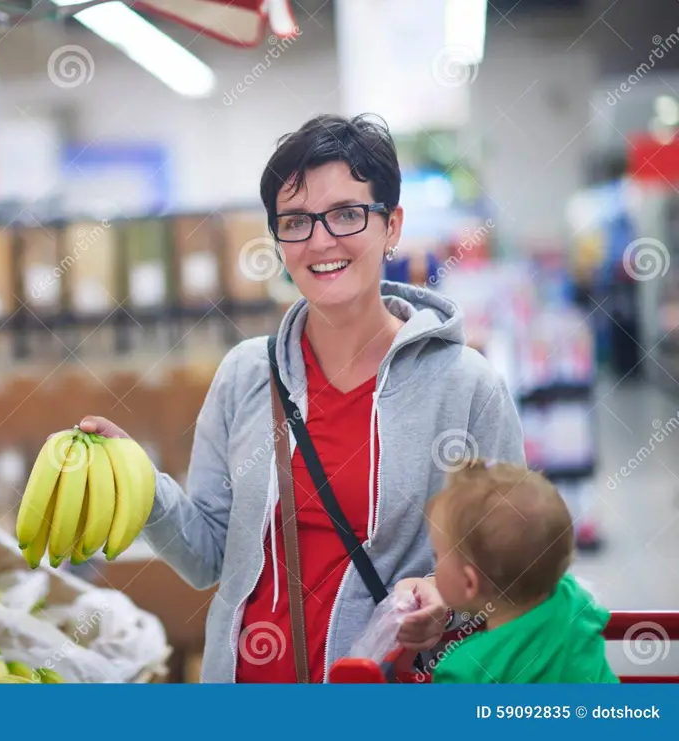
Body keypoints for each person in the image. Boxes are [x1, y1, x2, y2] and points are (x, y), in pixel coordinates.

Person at [77, 113, 527, 683]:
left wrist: (445, 597)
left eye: (346, 214)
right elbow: (206, 558)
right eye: (295, 221)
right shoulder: (246, 375)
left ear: (392, 227)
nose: (320, 241)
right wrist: (140, 483)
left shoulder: (466, 388)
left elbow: (515, 571)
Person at [427, 459, 617, 683]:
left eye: (437, 556)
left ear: (469, 583)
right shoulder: (575, 601)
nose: (435, 565)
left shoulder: (466, 671)